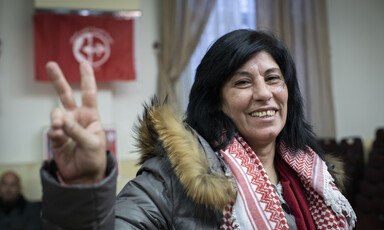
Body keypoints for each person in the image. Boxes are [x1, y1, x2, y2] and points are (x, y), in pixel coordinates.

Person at [40, 29, 356, 229]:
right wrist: (82, 189)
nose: (264, 93)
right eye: (243, 82)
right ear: (216, 101)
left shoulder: (315, 176)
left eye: (273, 79)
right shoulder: (174, 177)